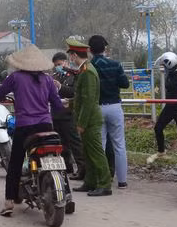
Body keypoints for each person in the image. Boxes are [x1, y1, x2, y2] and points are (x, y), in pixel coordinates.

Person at [0, 45, 66, 217]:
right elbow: (58, 104)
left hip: (25, 127)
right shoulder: (47, 80)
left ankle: (9, 202)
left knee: (15, 163)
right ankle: (66, 196)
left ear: (20, 64)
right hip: (46, 126)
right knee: (53, 158)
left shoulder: (15, 78)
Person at [66, 38, 113, 196]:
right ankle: (90, 181)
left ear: (73, 56)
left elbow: (89, 100)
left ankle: (104, 184)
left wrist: (82, 123)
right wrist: (71, 103)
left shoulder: (87, 72)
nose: (70, 59)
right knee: (87, 152)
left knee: (96, 153)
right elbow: (82, 97)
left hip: (90, 119)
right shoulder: (84, 69)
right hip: (87, 118)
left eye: (70, 56)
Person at [89, 35, 130, 188]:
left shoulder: (89, 66)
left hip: (97, 108)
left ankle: (103, 180)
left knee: (100, 145)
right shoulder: (115, 64)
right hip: (114, 107)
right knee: (119, 145)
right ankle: (122, 181)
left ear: (90, 50)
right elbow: (125, 84)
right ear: (105, 48)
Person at [50, 51, 86, 178]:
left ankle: (82, 169)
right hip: (56, 114)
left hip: (69, 114)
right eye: (56, 65)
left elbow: (74, 92)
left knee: (75, 143)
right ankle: (67, 167)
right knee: (61, 143)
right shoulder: (54, 75)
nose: (58, 67)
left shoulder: (73, 75)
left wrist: (60, 87)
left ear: (66, 62)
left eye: (59, 64)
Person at [151, 51, 177, 159]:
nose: (164, 68)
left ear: (169, 64)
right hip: (170, 106)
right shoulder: (171, 75)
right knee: (158, 128)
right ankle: (161, 152)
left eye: (164, 65)